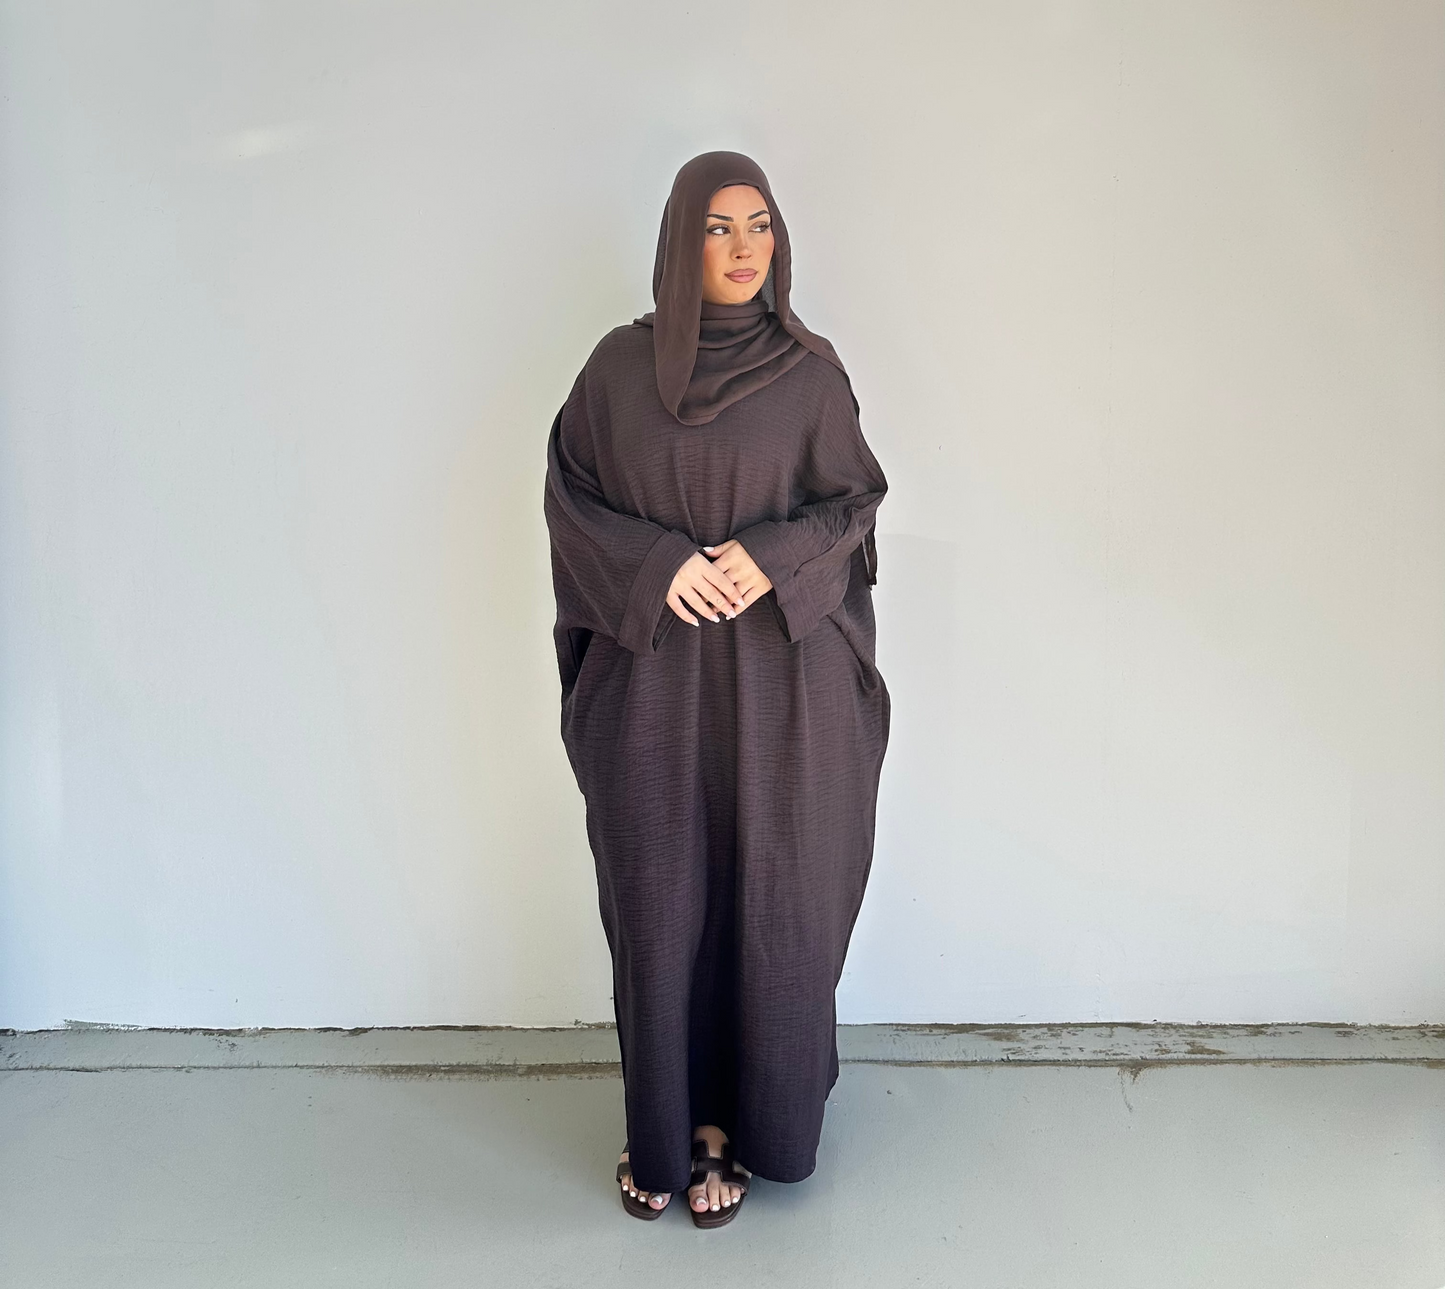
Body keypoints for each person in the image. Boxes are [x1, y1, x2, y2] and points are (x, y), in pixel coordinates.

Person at [543, 150, 890, 1227]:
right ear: (677, 241)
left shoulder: (809, 375)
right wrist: (658, 566)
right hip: (655, 689)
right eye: (717, 228)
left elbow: (853, 506)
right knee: (661, 902)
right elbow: (570, 499)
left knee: (775, 901)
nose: (744, 249)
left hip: (786, 693)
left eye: (759, 226)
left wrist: (767, 556)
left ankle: (749, 1125)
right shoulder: (616, 372)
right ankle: (670, 1124)